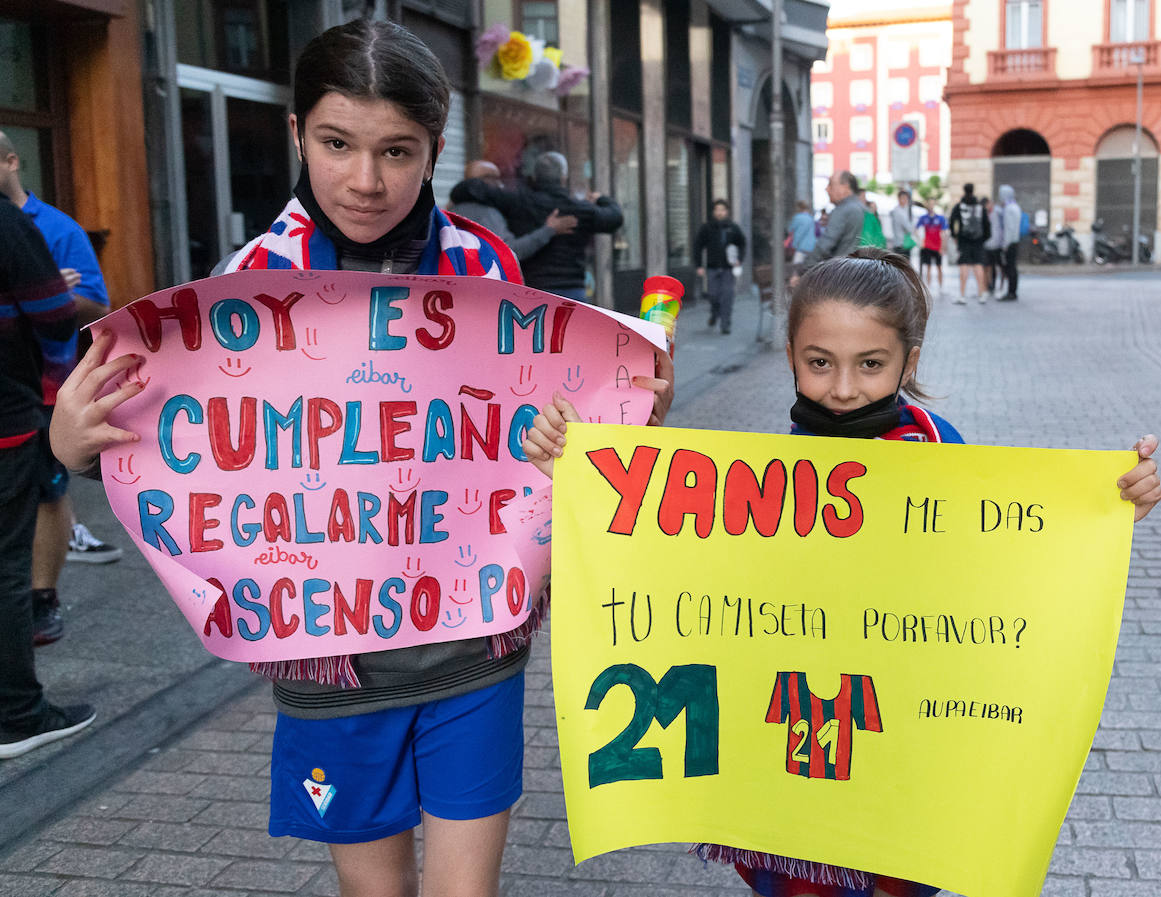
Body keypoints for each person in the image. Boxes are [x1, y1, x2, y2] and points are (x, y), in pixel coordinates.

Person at [49, 19, 671, 897]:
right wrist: (72, 445)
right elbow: (173, 450)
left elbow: (536, 427)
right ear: (297, 133)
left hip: (474, 644)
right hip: (329, 656)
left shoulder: (485, 264)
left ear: (435, 150)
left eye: (397, 151)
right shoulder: (241, 285)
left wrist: (604, 425)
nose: (366, 180)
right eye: (337, 143)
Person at [520, 247, 1161, 897]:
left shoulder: (945, 455)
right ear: (791, 355)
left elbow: (1006, 570)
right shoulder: (763, 469)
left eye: (871, 364)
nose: (845, 388)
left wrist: (1104, 511)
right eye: (820, 363)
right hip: (793, 734)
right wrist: (584, 475)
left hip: (901, 738)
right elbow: (687, 556)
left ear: (910, 362)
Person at [0, 131, 122, 648]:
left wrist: (54, 292)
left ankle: (42, 598)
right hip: (13, 393)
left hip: (49, 391)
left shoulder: (58, 228)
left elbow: (98, 309)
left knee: (49, 492)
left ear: (11, 161)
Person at [0, 200, 95, 760]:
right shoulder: (9, 225)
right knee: (6, 568)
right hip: (7, 419)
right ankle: (17, 715)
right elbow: (57, 314)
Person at [449, 151, 623, 302]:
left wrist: (480, 181)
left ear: (535, 177)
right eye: (494, 179)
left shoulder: (519, 203)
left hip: (533, 291)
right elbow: (615, 217)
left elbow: (465, 190)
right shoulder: (580, 210)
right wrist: (600, 199)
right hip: (572, 292)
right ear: (564, 177)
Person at [448, 160, 578, 261]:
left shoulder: (452, 209)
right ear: (480, 182)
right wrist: (549, 229)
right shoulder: (486, 213)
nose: (500, 185)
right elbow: (510, 252)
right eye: (495, 178)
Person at [789, 171, 866, 288]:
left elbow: (825, 245)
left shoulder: (843, 210)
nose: (826, 189)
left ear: (845, 187)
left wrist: (802, 271)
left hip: (843, 276)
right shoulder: (865, 209)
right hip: (865, 276)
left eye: (830, 184)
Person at [694, 199, 747, 334]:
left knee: (727, 296)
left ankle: (725, 324)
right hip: (712, 267)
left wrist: (739, 259)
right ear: (713, 212)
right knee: (713, 295)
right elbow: (698, 246)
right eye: (717, 210)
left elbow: (742, 244)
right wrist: (699, 265)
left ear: (727, 211)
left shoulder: (733, 228)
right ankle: (715, 312)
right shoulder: (707, 228)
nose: (720, 212)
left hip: (728, 268)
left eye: (722, 210)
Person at [948, 182, 988, 304]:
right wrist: (983, 239)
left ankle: (962, 295)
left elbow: (952, 221)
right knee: (978, 266)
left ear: (964, 190)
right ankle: (981, 294)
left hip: (963, 240)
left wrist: (955, 236)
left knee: (963, 266)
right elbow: (987, 224)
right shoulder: (980, 207)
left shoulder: (959, 206)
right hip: (978, 241)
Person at [996, 184, 1023, 302]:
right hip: (1015, 241)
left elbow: (1008, 228)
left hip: (1010, 243)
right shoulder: (1015, 206)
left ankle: (1011, 292)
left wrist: (1005, 244)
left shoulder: (1008, 209)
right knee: (1012, 267)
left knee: (1010, 268)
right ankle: (1012, 291)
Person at [914, 203, 947, 298]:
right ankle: (929, 286)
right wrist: (920, 241)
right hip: (927, 246)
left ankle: (941, 287)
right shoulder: (923, 218)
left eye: (932, 205)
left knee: (939, 267)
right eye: (929, 205)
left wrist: (943, 247)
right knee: (928, 267)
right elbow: (916, 229)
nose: (931, 207)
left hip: (937, 246)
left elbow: (944, 233)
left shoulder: (940, 218)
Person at [981, 195, 1002, 298]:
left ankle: (999, 287)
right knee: (988, 266)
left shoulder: (998, 212)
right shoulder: (984, 214)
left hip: (997, 245)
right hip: (987, 245)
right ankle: (989, 286)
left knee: (998, 266)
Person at [889, 189, 917, 258]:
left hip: (901, 243)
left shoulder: (902, 210)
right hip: (901, 244)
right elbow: (909, 228)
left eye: (906, 198)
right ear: (899, 199)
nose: (905, 200)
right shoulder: (899, 212)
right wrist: (913, 228)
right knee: (903, 263)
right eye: (903, 198)